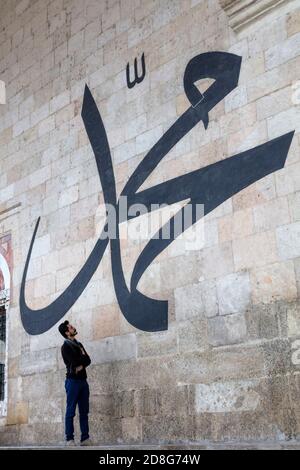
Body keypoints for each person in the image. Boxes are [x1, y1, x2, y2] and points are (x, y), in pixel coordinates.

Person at [58, 320, 92, 446]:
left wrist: (80, 364)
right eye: (71, 327)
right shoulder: (65, 347)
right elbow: (74, 362)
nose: (73, 327)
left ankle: (85, 438)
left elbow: (88, 360)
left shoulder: (79, 344)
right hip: (72, 382)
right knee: (71, 411)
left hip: (83, 381)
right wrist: (80, 361)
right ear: (67, 332)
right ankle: (69, 439)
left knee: (84, 411)